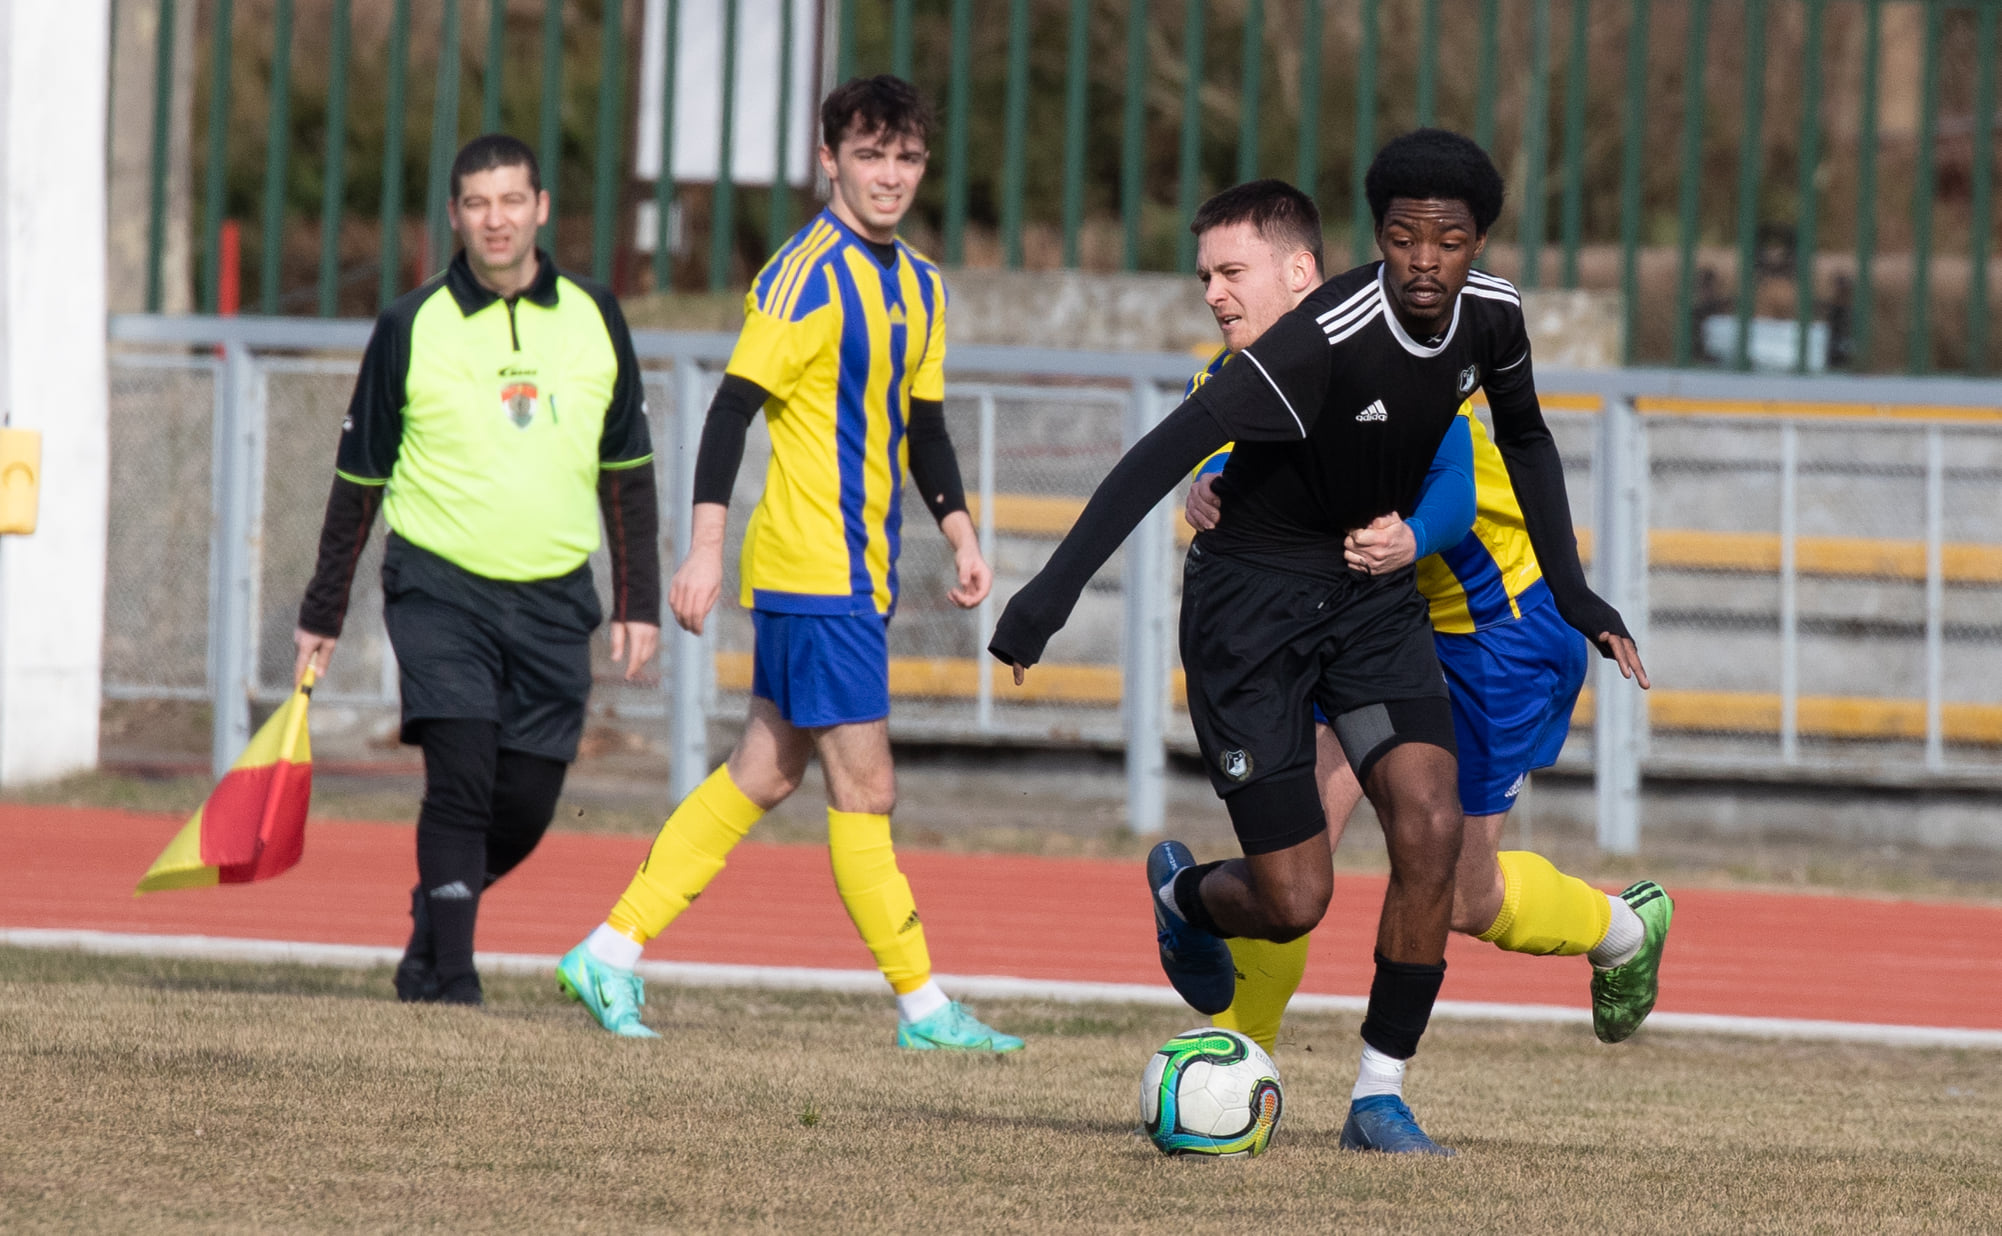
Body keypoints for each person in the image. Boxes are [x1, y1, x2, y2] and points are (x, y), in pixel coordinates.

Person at [989, 130, 1648, 1155]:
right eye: (1403, 238)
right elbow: (1163, 452)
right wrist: (1047, 596)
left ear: (1478, 242)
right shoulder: (1315, 341)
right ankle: (1185, 898)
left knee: (1430, 826)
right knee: (1294, 897)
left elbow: (1519, 436)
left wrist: (1573, 590)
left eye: (1450, 240)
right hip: (1252, 617)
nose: (1426, 261)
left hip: (1374, 602)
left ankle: (1379, 1095)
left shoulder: (1490, 315)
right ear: (1376, 237)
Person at [555, 76, 1022, 1054]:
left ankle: (608, 950)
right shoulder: (804, 275)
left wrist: (962, 532)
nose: (888, 175)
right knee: (867, 788)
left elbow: (926, 427)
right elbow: (731, 410)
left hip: (862, 573)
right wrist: (703, 549)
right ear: (828, 162)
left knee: (762, 773)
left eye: (905, 157)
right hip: (814, 572)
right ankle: (924, 1008)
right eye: (868, 155)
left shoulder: (923, 284)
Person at [1177, 180, 1674, 1060]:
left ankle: (1622, 932)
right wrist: (1205, 487)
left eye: (1232, 274)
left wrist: (1412, 538)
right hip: (1366, 623)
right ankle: (1234, 1060)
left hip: (1497, 628)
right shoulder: (1233, 374)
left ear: (1302, 275)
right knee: (1296, 854)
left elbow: (1453, 492)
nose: (1214, 295)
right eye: (1206, 277)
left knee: (1462, 894)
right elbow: (1227, 462)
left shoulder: (1391, 355)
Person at [294, 134, 661, 1006]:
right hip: (439, 588)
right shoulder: (409, 323)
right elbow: (359, 477)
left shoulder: (596, 314)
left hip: (556, 598)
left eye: (511, 201)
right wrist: (323, 610)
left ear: (541, 208)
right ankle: (454, 981)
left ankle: (433, 927)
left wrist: (638, 599)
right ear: (455, 217)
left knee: (526, 803)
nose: (496, 220)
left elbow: (628, 469)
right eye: (477, 203)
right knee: (459, 777)